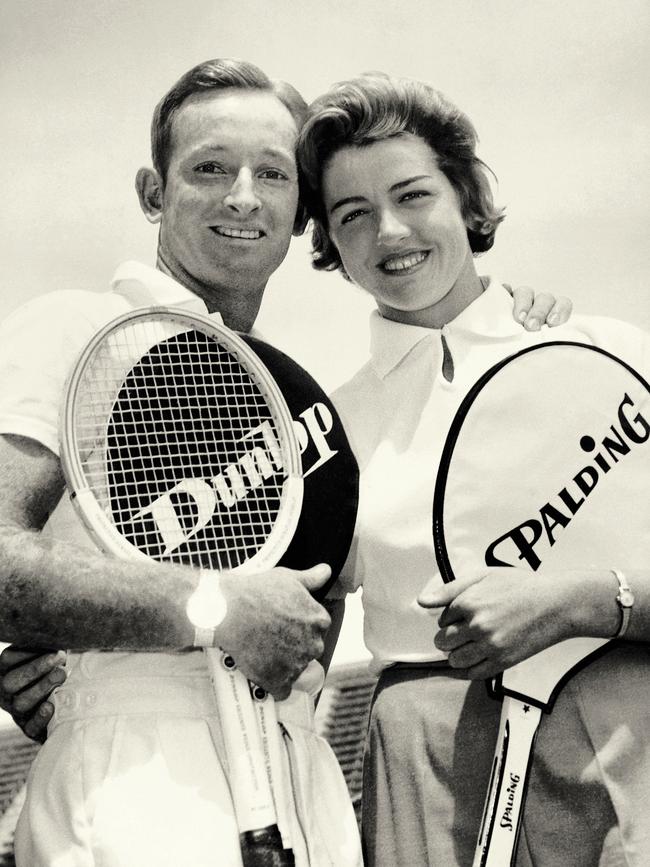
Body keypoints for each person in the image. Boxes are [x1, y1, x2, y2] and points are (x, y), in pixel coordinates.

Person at [0, 58, 566, 865]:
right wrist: (213, 610)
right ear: (152, 192)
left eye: (272, 172)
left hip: (302, 785)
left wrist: (518, 325)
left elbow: (306, 620)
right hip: (135, 780)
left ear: (302, 212)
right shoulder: (74, 327)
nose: (243, 195)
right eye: (209, 168)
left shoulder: (301, 404)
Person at [295, 73, 650, 866]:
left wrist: (583, 599)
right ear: (329, 243)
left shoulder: (605, 349)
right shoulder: (327, 426)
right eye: (352, 214)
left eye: (413, 195)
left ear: (464, 196)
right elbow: (293, 633)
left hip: (631, 724)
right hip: (431, 763)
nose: (389, 231)